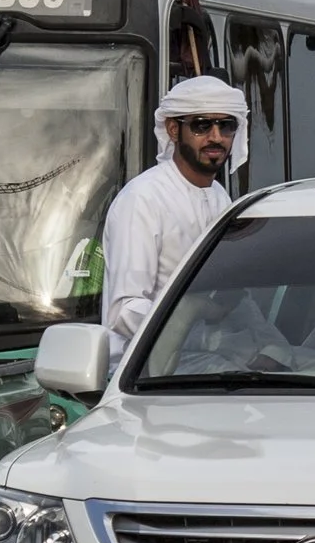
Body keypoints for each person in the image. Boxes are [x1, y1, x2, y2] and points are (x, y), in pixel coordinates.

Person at [100, 74, 248, 364]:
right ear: (173, 129)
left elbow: (235, 299)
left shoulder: (221, 198)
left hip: (211, 360)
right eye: (201, 125)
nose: (216, 137)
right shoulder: (144, 198)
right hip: (147, 369)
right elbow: (126, 311)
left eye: (226, 125)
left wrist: (271, 351)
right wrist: (205, 337)